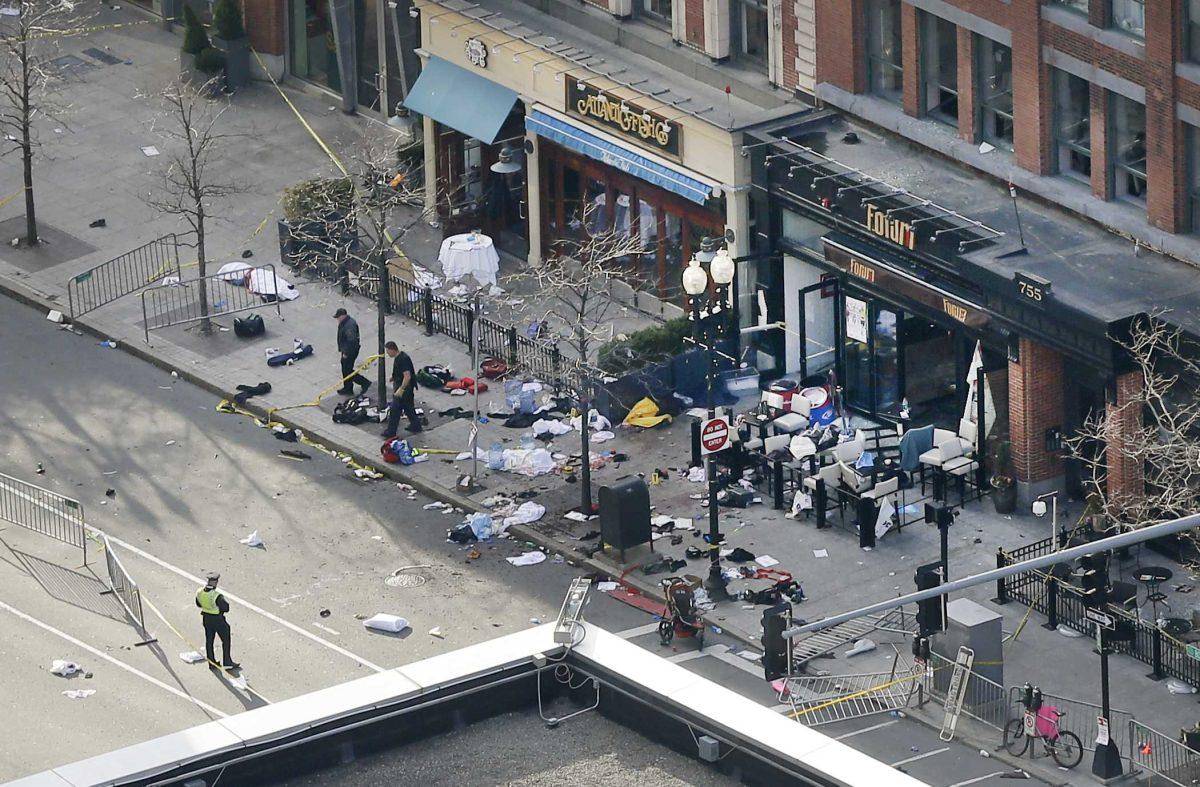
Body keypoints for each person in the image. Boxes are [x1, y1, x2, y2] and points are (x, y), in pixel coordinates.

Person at [195, 571, 239, 671]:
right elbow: (225, 608)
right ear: (215, 582)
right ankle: (227, 662)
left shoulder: (199, 592)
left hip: (206, 618)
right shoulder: (216, 595)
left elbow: (198, 604)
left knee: (209, 641)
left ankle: (211, 663)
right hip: (217, 619)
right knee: (225, 639)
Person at [381, 341, 422, 437]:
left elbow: (407, 376)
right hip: (406, 388)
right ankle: (416, 425)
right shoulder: (400, 357)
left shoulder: (402, 359)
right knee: (408, 408)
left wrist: (401, 389)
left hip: (404, 389)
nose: (387, 353)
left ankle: (391, 431)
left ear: (392, 349)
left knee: (395, 410)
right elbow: (400, 372)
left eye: (388, 351)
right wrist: (394, 377)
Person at [334, 308, 372, 396]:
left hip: (350, 352)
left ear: (343, 316)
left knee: (348, 370)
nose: (337, 319)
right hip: (347, 350)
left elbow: (352, 341)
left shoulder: (349, 325)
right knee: (346, 369)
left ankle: (364, 382)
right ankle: (347, 388)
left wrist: (346, 353)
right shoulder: (345, 323)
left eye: (338, 317)